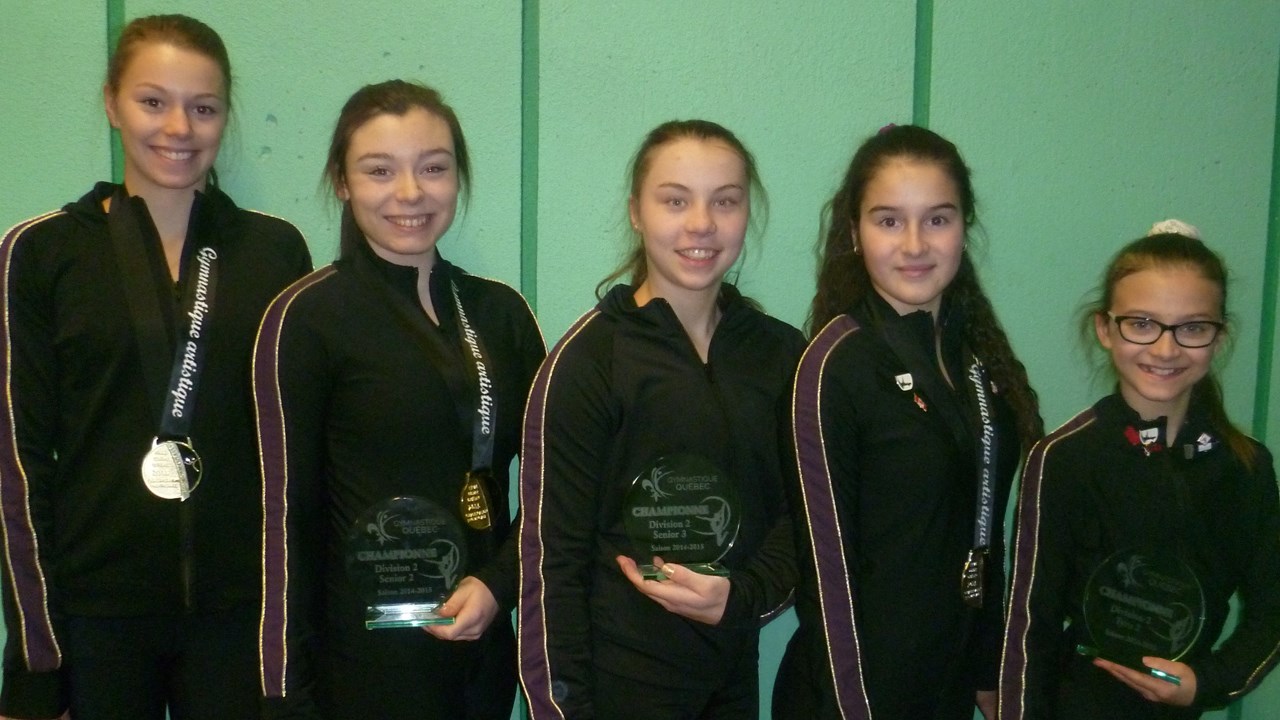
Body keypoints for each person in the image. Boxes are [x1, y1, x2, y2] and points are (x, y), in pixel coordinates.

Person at [0, 14, 312, 720]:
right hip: (95, 621)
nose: (179, 127)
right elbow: (18, 467)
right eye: (153, 101)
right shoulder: (40, 254)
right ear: (112, 104)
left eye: (203, 108)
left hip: (242, 620)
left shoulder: (275, 253)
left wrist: (296, 641)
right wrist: (37, 662)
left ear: (224, 117)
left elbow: (296, 457)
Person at [254, 79, 544, 720]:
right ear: (342, 181)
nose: (410, 193)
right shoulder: (307, 318)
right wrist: (286, 693)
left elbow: (557, 491)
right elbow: (284, 518)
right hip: (361, 663)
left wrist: (499, 585)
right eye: (379, 170)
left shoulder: (501, 314)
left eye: (433, 168)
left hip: (481, 650)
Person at [517, 119, 804, 719]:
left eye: (725, 201)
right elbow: (552, 561)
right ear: (636, 213)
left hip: (733, 680)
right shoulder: (589, 361)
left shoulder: (780, 355)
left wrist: (742, 597)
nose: (701, 223)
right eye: (675, 201)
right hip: (617, 683)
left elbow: (800, 517)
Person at [773, 124, 1043, 720]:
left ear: (965, 226)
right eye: (889, 220)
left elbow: (985, 535)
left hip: (945, 686)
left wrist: (988, 669)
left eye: (937, 219)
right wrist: (854, 707)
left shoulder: (978, 361)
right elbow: (825, 575)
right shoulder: (835, 367)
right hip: (852, 697)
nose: (915, 244)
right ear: (855, 233)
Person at [998, 221, 1280, 719]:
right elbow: (1028, 623)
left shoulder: (1246, 467)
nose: (1166, 349)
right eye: (1143, 324)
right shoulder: (1064, 457)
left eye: (1192, 327)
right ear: (1105, 329)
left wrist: (1209, 682)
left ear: (1219, 337)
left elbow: (1272, 610)